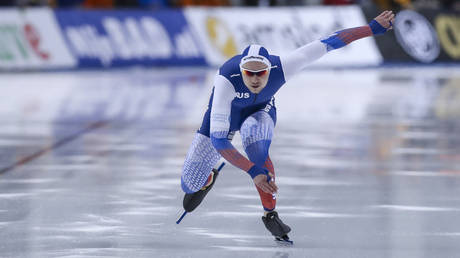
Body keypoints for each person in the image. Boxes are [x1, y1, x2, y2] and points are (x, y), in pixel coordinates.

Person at [180, 10, 395, 241]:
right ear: (241, 71)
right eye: (249, 74)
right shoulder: (225, 79)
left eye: (260, 73)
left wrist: (371, 28)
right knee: (189, 186)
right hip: (225, 116)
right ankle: (207, 179)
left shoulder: (283, 66)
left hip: (260, 111)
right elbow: (219, 141)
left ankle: (270, 214)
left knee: (258, 150)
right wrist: (251, 171)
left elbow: (329, 42)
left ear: (268, 69)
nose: (254, 79)